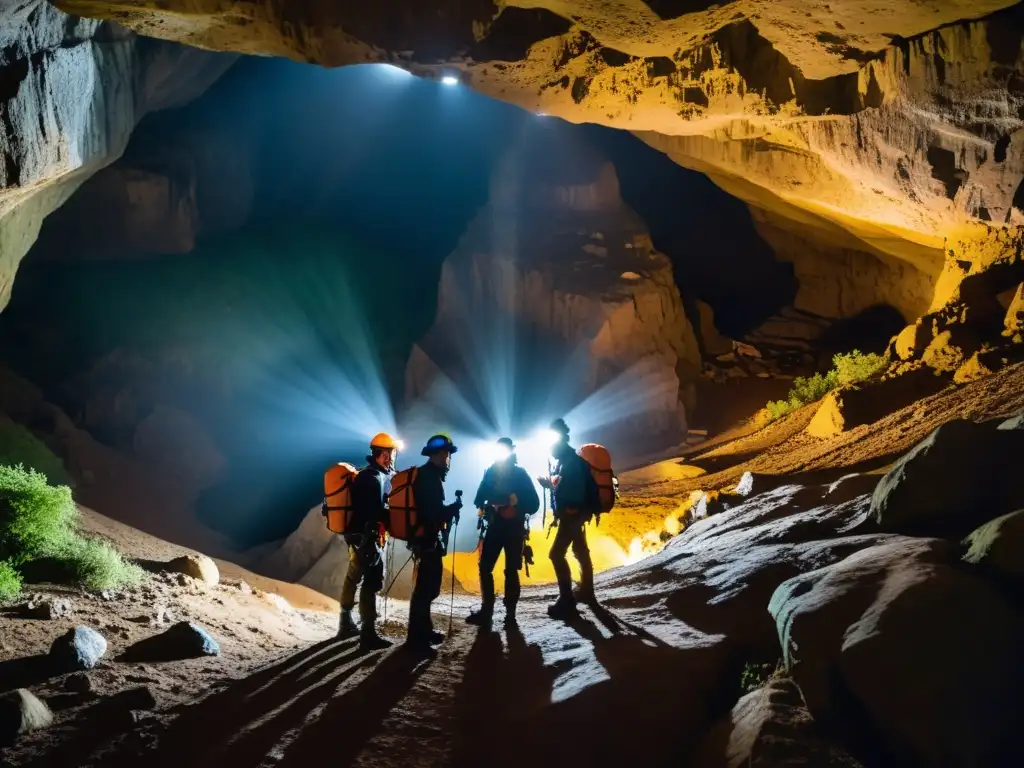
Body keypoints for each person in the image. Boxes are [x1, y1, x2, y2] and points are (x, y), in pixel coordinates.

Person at [466, 437, 540, 627]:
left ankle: (493, 612)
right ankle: (507, 615)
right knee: (507, 570)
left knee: (492, 569)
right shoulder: (516, 473)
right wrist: (511, 502)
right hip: (510, 529)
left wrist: (498, 503)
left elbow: (479, 499)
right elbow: (533, 504)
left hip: (500, 528)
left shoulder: (495, 472)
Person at [338, 432, 396, 651]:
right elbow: (372, 511)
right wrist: (389, 515)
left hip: (356, 535)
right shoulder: (373, 478)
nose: (391, 459)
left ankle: (345, 624)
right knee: (372, 581)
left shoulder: (367, 475)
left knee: (354, 576)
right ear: (382, 454)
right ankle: (368, 634)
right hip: (368, 536)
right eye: (389, 454)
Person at [538, 418, 599, 619]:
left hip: (572, 514)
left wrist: (567, 506)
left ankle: (567, 601)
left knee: (556, 554)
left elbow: (571, 491)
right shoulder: (569, 460)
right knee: (580, 549)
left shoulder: (570, 463)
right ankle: (586, 591)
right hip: (577, 514)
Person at [406, 433, 463, 652]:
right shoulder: (431, 478)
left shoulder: (424, 475)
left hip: (422, 539)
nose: (448, 458)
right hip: (428, 540)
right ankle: (417, 640)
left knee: (425, 589)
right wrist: (452, 509)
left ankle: (424, 632)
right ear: (438, 455)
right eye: (446, 454)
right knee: (425, 590)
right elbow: (433, 514)